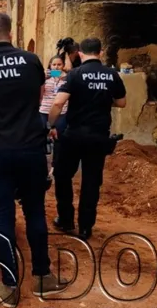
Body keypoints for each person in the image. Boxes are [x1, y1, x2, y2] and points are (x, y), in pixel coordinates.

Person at [0, 12, 69, 308]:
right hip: (29, 146)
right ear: (11, 34)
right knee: (35, 212)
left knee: (3, 216)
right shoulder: (31, 60)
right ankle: (43, 277)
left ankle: (9, 287)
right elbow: (39, 96)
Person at [47, 37, 127, 240]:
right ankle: (85, 227)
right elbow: (122, 102)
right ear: (100, 52)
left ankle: (65, 220)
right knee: (91, 181)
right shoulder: (112, 75)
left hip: (74, 135)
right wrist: (101, 100)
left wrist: (50, 124)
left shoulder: (74, 74)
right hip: (98, 136)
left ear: (80, 53)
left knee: (63, 176)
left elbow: (58, 103)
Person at [40, 55, 69, 173]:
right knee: (41, 138)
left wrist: (64, 76)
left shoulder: (67, 78)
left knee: (60, 140)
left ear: (63, 66)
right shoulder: (44, 77)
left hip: (61, 112)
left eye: (59, 64)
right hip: (44, 111)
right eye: (54, 65)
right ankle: (41, 166)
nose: (56, 67)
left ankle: (56, 165)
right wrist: (42, 78)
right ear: (50, 66)